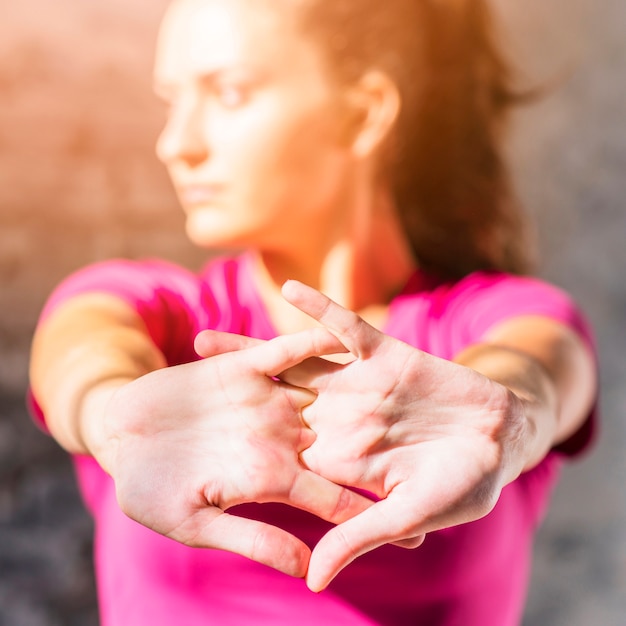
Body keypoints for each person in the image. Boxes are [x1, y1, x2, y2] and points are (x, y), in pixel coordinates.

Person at [29, 0, 598, 624]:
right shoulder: (150, 310)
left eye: (230, 92)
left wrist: (512, 417)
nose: (176, 143)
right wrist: (108, 413)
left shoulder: (494, 318)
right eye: (173, 100)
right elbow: (84, 354)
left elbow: (533, 368)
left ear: (362, 114)